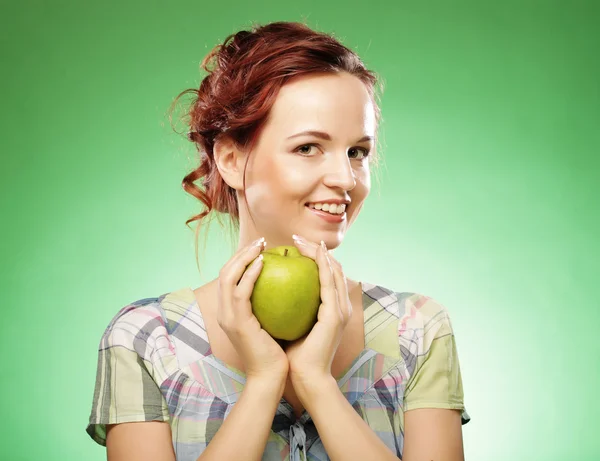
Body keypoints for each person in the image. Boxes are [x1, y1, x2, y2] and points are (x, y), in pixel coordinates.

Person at [85, 20, 471, 461]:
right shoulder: (148, 340)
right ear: (230, 159)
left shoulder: (416, 330)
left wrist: (316, 383)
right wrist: (265, 379)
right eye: (308, 147)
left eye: (357, 152)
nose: (345, 178)